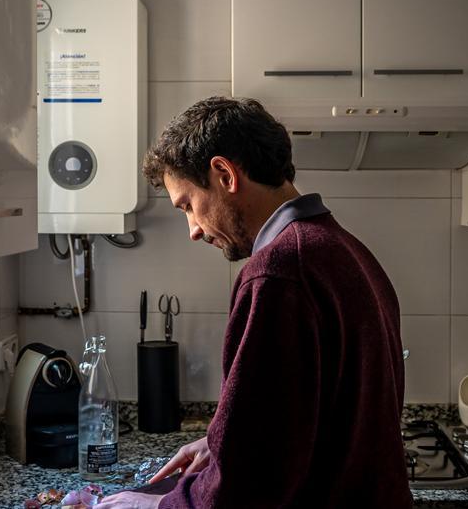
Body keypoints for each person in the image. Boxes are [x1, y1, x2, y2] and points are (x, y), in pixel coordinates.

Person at [97, 97, 412, 508]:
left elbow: (250, 479)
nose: (192, 229)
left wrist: (160, 505)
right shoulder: (345, 249)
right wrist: (219, 444)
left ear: (225, 174)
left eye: (188, 205)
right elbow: (296, 418)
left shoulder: (280, 270)